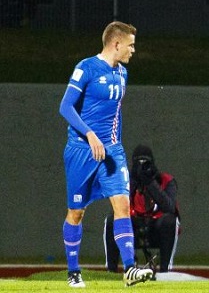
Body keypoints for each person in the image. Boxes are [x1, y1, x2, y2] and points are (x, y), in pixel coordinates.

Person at [59, 21, 153, 288]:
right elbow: (65, 107)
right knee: (76, 212)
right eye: (131, 45)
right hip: (81, 151)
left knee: (122, 206)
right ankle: (73, 270)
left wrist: (114, 147)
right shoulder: (85, 68)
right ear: (116, 43)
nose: (133, 50)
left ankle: (130, 269)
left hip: (111, 152)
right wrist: (89, 135)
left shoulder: (122, 74)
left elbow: (115, 114)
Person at [104, 144, 180, 274]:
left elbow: (169, 207)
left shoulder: (166, 180)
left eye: (146, 163)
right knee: (111, 220)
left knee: (170, 221)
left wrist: (150, 182)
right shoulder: (126, 181)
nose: (141, 167)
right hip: (132, 228)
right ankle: (111, 271)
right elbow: (118, 206)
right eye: (138, 164)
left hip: (157, 227)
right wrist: (132, 181)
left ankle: (165, 271)